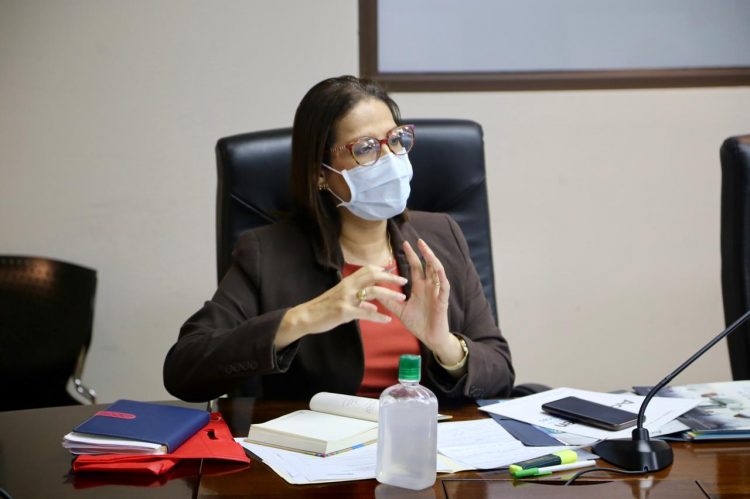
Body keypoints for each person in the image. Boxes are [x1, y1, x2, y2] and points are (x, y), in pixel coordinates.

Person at [163, 75, 514, 402]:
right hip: (320, 445)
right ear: (320, 173)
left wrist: (444, 345)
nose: (390, 159)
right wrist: (303, 318)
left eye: (396, 140)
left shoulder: (441, 236)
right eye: (365, 148)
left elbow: (500, 373)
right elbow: (184, 370)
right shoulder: (267, 253)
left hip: (428, 438)